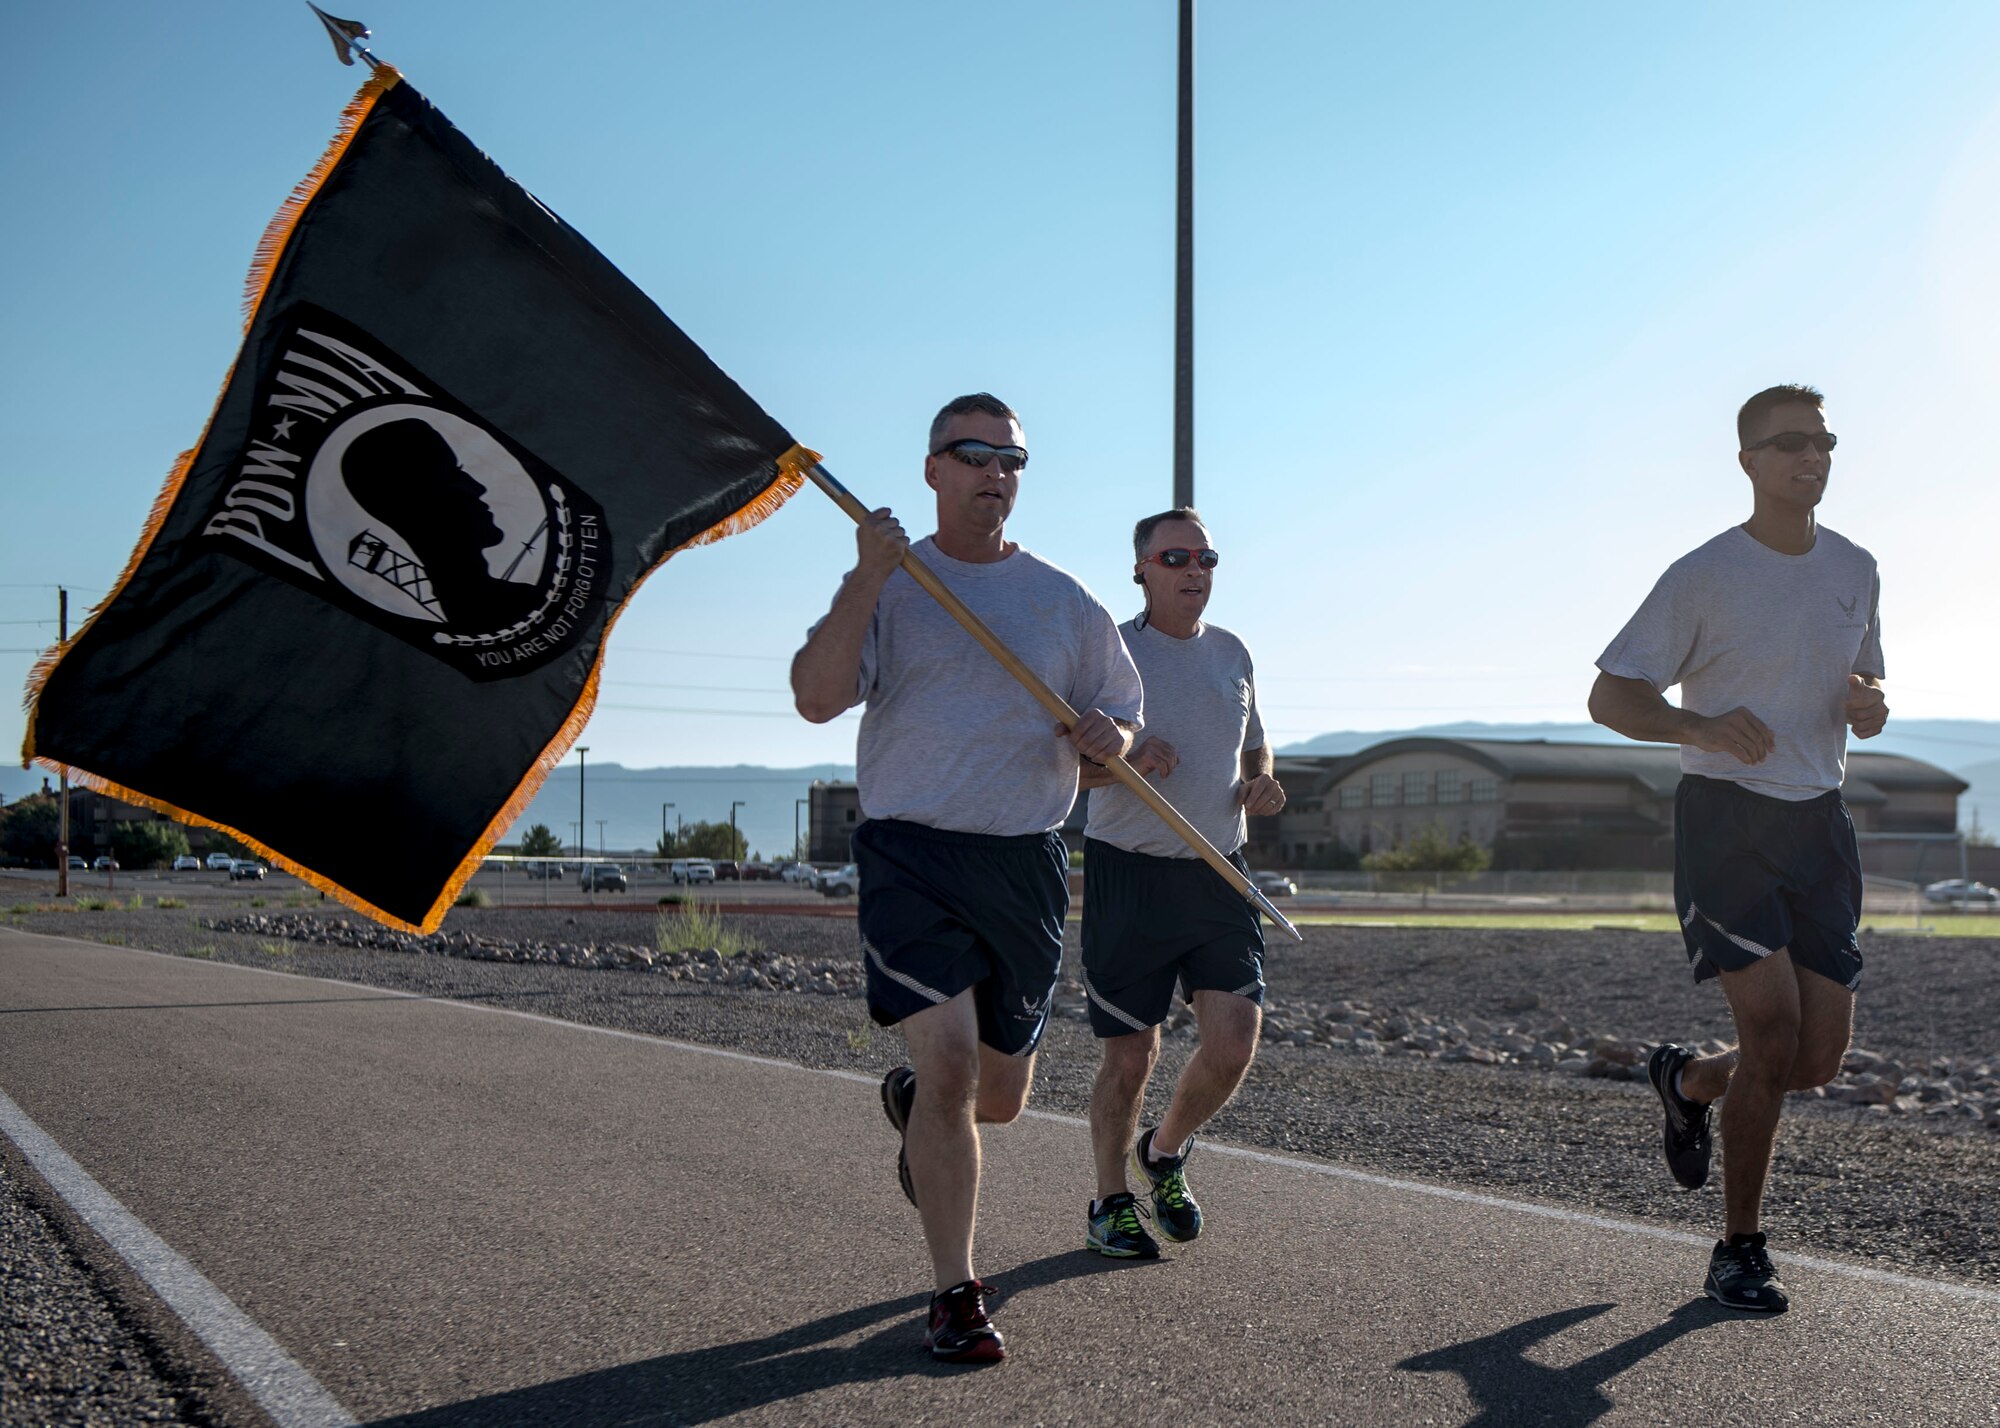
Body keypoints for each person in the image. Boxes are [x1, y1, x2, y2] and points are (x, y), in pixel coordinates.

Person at [790, 393, 1143, 1362]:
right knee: (950, 1068)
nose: (996, 472)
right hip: (910, 854)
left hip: (1024, 864)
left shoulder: (1065, 605)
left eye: (1012, 459)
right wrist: (865, 578)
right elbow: (815, 697)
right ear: (932, 469)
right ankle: (954, 1293)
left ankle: (913, 1107)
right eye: (973, 453)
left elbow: (1119, 733)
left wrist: (1111, 739)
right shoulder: (894, 585)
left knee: (996, 1098)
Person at [1588, 384, 1886, 1314]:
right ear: (1749, 461)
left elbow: (1862, 678)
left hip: (1820, 824)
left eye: (1824, 441)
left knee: (1817, 1059)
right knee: (1774, 1034)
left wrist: (1868, 702)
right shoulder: (1704, 574)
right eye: (1790, 442)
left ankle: (1686, 1081)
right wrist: (1702, 725)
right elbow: (1611, 698)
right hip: (1727, 820)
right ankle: (1739, 1249)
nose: (1812, 456)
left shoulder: (1857, 567)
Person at [1075, 507, 1282, 1258]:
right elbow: (1064, 765)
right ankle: (1108, 1202)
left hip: (1220, 872)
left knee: (1233, 1041)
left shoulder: (1233, 653)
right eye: (1175, 558)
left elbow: (1257, 750)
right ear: (1141, 570)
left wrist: (1263, 785)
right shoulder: (1110, 655)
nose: (1194, 570)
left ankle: (1162, 1152)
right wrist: (1124, 761)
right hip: (1129, 876)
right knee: (1132, 1056)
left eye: (1206, 557)